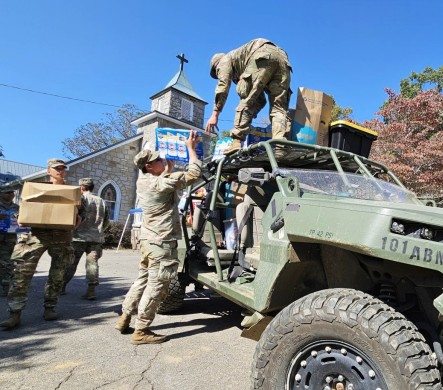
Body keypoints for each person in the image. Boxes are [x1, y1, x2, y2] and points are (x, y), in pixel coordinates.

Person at [115, 130, 202, 345]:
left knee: (142, 280)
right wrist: (191, 149)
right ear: (149, 166)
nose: (163, 161)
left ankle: (125, 317)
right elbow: (193, 174)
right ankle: (142, 330)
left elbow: (164, 180)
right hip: (161, 243)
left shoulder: (144, 181)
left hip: (148, 241)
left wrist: (167, 169)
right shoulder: (159, 183)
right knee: (157, 285)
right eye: (159, 160)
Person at [1, 159, 80, 330]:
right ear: (49, 170)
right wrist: (20, 219)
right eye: (57, 168)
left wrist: (77, 222)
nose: (60, 171)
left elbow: (81, 214)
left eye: (63, 168)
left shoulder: (73, 191)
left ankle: (50, 308)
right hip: (36, 235)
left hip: (62, 235)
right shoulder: (34, 189)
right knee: (21, 272)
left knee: (58, 274)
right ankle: (15, 313)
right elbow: (22, 210)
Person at [206, 38, 292, 155]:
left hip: (262, 56)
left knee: (246, 98)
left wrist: (215, 114)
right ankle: (280, 146)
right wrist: (250, 114)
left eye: (217, 73)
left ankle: (236, 141)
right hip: (282, 58)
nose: (219, 74)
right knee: (279, 109)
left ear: (216, 67)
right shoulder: (239, 60)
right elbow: (260, 100)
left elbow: (223, 86)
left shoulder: (224, 60)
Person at [61, 178, 109, 300]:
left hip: (78, 238)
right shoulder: (102, 201)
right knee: (92, 264)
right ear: (92, 187)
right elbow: (107, 221)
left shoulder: (80, 199)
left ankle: (61, 287)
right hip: (96, 238)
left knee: (71, 263)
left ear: (82, 187)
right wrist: (98, 230)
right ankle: (91, 290)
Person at [0, 186, 20, 297]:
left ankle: (6, 287)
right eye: (7, 192)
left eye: (12, 192)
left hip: (9, 238)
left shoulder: (17, 207)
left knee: (7, 263)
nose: (11, 194)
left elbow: (22, 221)